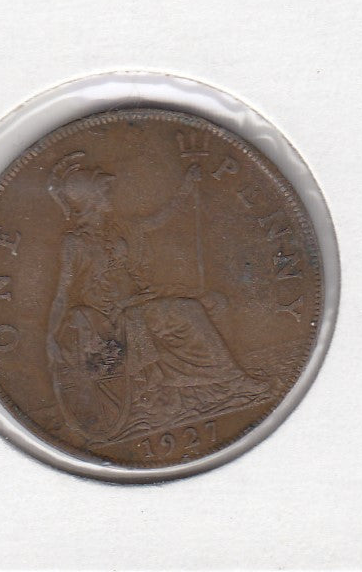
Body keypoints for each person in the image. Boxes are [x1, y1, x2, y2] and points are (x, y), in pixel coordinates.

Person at [46, 151, 269, 441]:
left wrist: (186, 189)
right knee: (188, 311)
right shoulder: (74, 243)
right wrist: (51, 336)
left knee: (212, 303)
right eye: (102, 191)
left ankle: (202, 383)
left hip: (139, 300)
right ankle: (233, 380)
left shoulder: (117, 230)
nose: (109, 194)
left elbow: (157, 220)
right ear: (90, 200)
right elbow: (63, 293)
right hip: (112, 317)